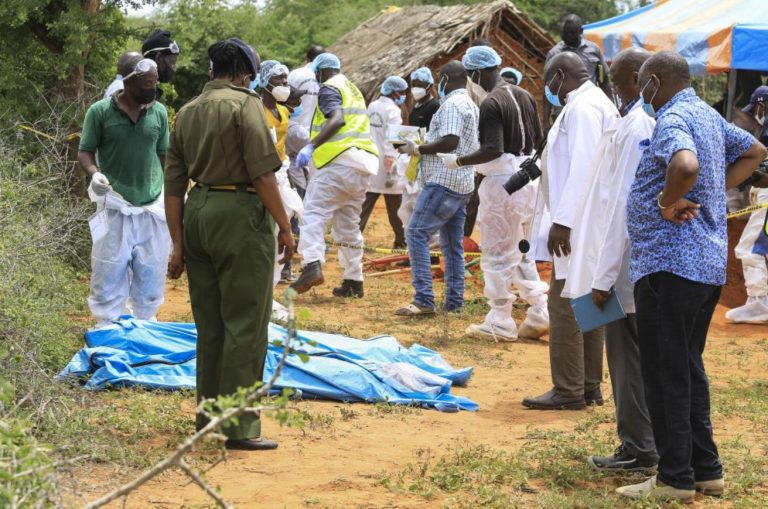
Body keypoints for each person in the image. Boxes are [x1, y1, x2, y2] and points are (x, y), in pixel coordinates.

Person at [616, 51, 767, 502]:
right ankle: (706, 471)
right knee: (688, 368)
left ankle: (674, 479)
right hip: (703, 267)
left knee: (666, 375)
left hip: (669, 266)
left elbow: (683, 165)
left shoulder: (674, 117)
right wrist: (708, 192)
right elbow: (756, 150)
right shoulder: (707, 113)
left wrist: (668, 200)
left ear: (655, 81)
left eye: (642, 82)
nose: (640, 91)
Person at [164, 38, 294, 451]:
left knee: (211, 325)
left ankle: (207, 418)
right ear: (244, 72)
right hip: (240, 214)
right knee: (246, 325)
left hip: (197, 210)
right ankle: (237, 426)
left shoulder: (185, 112)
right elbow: (262, 175)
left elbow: (172, 187)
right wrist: (286, 227)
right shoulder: (246, 105)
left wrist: (178, 245)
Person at [560, 48, 658, 471]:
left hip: (622, 267)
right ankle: (638, 443)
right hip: (622, 263)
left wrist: (603, 275)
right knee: (629, 360)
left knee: (628, 362)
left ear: (638, 77)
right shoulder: (633, 119)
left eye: (618, 82)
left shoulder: (637, 123)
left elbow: (621, 207)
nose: (614, 90)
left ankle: (639, 448)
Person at [521, 52, 619, 410]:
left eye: (549, 80)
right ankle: (588, 385)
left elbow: (583, 166)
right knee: (588, 301)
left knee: (563, 305)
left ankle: (568, 389)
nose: (548, 88)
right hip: (590, 221)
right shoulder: (595, 103)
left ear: (560, 76)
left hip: (579, 223)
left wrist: (563, 221)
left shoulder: (582, 109)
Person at [453, 46, 549, 342]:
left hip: (504, 186)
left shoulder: (491, 103)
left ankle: (500, 320)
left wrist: (459, 160)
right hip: (528, 180)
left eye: (470, 76)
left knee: (496, 253)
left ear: (477, 73)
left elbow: (492, 149)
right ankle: (539, 312)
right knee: (521, 251)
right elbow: (538, 142)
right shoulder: (523, 95)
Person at [78, 55, 170, 329]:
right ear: (127, 82)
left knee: (152, 270)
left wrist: (170, 190)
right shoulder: (100, 111)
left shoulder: (159, 113)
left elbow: (164, 155)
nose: (150, 89)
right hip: (115, 205)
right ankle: (107, 327)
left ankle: (146, 325)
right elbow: (85, 151)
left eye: (154, 83)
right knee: (108, 269)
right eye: (145, 83)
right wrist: (95, 174)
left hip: (152, 207)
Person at [290, 53, 379, 298]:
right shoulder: (353, 89)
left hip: (337, 163)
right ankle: (353, 280)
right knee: (348, 225)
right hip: (361, 167)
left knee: (313, 213)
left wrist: (311, 145)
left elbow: (337, 120)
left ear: (319, 72)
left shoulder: (329, 88)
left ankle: (311, 264)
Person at [395, 61, 479, 316]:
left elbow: (450, 141)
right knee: (452, 244)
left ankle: (423, 299)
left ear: (445, 80)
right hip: (462, 182)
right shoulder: (470, 104)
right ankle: (454, 301)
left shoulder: (452, 105)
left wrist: (418, 148)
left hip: (444, 181)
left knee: (416, 233)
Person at [360, 76, 408, 249]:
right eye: (402, 92)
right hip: (389, 165)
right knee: (396, 207)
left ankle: (353, 238)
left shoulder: (372, 106)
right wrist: (391, 157)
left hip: (371, 161)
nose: (403, 95)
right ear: (395, 92)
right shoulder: (393, 111)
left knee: (365, 203)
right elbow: (394, 137)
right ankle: (401, 242)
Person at [543, 14, 611, 130]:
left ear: (581, 31)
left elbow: (604, 81)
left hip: (590, 110)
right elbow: (547, 88)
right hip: (563, 112)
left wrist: (610, 107)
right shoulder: (554, 54)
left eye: (572, 33)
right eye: (566, 32)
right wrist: (545, 121)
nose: (568, 36)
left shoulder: (593, 50)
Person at [399, 67, 441, 233]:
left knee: (425, 205)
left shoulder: (435, 106)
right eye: (413, 84)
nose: (415, 88)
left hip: (428, 161)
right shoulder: (415, 107)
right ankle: (412, 247)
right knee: (410, 204)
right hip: (413, 161)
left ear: (429, 86)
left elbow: (436, 135)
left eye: (419, 84)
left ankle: (429, 250)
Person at [287, 45, 326, 130]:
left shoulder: (294, 74)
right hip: (318, 132)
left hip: (293, 129)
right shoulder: (327, 78)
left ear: (307, 60)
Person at [142, 29, 180, 100]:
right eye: (172, 62)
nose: (174, 68)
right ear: (159, 57)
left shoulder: (151, 91)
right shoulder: (139, 94)